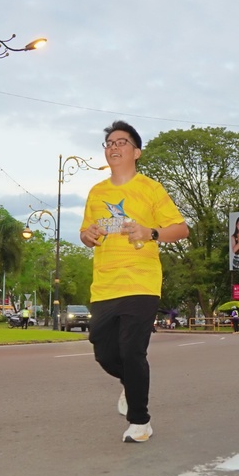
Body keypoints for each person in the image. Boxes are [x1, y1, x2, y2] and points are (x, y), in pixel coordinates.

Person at [80, 120, 189, 443]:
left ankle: (140, 422)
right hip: (105, 284)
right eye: (109, 143)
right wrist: (87, 234)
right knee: (104, 352)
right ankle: (131, 384)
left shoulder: (151, 189)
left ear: (136, 152)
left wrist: (149, 232)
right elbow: (86, 234)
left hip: (141, 282)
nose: (114, 147)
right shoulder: (97, 192)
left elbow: (181, 229)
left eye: (121, 142)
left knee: (131, 350)